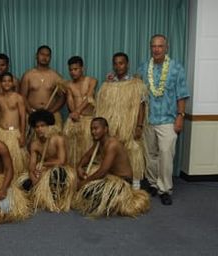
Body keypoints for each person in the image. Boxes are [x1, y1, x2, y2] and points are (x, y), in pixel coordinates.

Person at [137, 34, 190, 205]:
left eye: (160, 46)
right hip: (148, 120)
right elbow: (134, 91)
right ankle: (153, 184)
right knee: (150, 154)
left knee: (166, 154)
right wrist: (113, 79)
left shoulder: (176, 68)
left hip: (168, 119)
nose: (157, 49)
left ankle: (165, 189)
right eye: (154, 46)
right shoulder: (143, 68)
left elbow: (182, 95)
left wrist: (180, 117)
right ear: (150, 48)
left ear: (166, 48)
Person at [72, 117, 150, 217]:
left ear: (105, 129)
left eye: (96, 128)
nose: (93, 132)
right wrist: (79, 167)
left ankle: (129, 192)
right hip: (110, 177)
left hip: (122, 181)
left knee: (92, 194)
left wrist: (84, 183)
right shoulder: (99, 142)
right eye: (91, 129)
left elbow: (103, 171)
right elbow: (87, 156)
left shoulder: (112, 144)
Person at [96, 52, 147, 189]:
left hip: (129, 125)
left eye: (121, 63)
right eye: (116, 63)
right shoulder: (108, 84)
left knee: (132, 150)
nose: (118, 66)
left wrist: (139, 125)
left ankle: (135, 183)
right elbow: (103, 106)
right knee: (114, 152)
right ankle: (116, 181)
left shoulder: (136, 84)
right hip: (113, 125)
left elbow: (141, 106)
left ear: (127, 64)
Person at [21, 110, 76, 212]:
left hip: (58, 169)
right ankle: (41, 196)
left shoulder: (58, 139)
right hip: (43, 171)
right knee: (24, 184)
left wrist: (43, 164)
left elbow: (62, 161)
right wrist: (33, 178)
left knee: (58, 173)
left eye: (43, 126)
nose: (40, 129)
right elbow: (32, 165)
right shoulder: (34, 145)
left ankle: (57, 199)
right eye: (37, 127)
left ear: (49, 126)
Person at [20, 45, 66, 135]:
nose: (44, 57)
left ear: (50, 58)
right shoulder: (28, 75)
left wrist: (51, 111)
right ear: (36, 56)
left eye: (47, 55)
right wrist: (31, 112)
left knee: (52, 143)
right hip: (32, 114)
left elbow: (62, 98)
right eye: (42, 54)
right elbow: (22, 97)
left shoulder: (56, 76)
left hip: (51, 115)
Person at [63, 56, 97, 168]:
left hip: (88, 121)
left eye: (75, 69)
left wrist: (78, 111)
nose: (73, 72)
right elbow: (70, 100)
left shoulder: (92, 81)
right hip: (74, 120)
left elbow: (89, 97)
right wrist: (74, 113)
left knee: (88, 150)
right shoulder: (68, 85)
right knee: (73, 152)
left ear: (82, 68)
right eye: (71, 70)